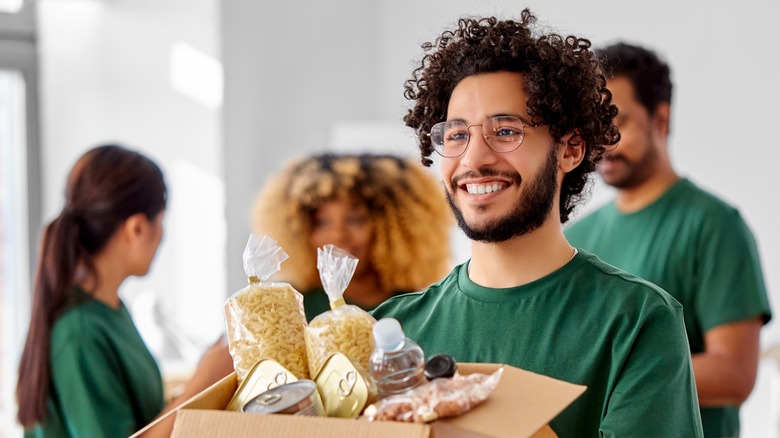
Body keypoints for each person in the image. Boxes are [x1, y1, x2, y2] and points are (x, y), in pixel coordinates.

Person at [371, 9, 704, 437]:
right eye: (456, 135)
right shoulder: (392, 334)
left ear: (570, 149)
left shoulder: (637, 321)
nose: (474, 159)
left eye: (506, 130)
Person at [564, 42, 771, 437]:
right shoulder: (573, 237)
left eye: (618, 122)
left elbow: (734, 374)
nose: (603, 141)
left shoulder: (715, 226)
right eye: (594, 125)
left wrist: (606, 370)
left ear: (661, 119)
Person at [16, 144, 234, 437]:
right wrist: (202, 383)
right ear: (137, 229)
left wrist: (202, 377)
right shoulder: (80, 334)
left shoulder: (112, 309)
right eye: (161, 221)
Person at [252, 152, 453, 322]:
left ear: (392, 229)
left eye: (355, 220)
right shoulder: (288, 305)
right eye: (322, 222)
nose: (339, 234)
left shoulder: (417, 308)